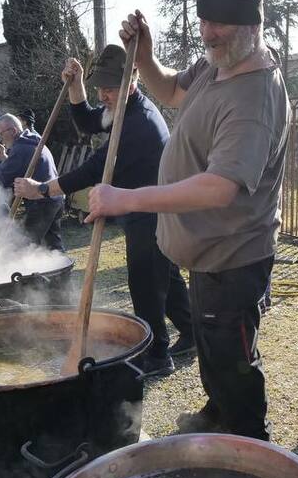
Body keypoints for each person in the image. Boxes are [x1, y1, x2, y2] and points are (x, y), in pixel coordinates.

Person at [82, 0, 289, 441]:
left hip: (233, 256)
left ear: (252, 25)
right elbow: (171, 91)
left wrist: (128, 199)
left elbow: (220, 188)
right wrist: (146, 56)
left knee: (234, 357)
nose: (208, 33)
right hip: (206, 251)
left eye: (220, 24)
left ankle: (249, 442)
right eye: (203, 21)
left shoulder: (253, 98)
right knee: (213, 346)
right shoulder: (220, 63)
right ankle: (219, 412)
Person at [14, 45, 194, 378]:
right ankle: (192, 331)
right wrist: (76, 84)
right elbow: (87, 119)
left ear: (132, 82)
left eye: (109, 88)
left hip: (152, 211)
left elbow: (91, 170)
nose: (103, 95)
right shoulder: (121, 108)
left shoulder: (139, 124)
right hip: (143, 207)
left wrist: (40, 189)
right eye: (100, 87)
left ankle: (157, 356)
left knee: (145, 283)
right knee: (164, 277)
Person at [0, 113, 64, 251]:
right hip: (55, 197)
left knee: (25, 246)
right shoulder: (31, 140)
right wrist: (4, 157)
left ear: (13, 131)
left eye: (1, 134)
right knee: (53, 245)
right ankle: (62, 271)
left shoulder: (21, 149)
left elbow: (1, 179)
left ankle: (23, 271)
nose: (0, 138)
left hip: (42, 202)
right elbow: (22, 167)